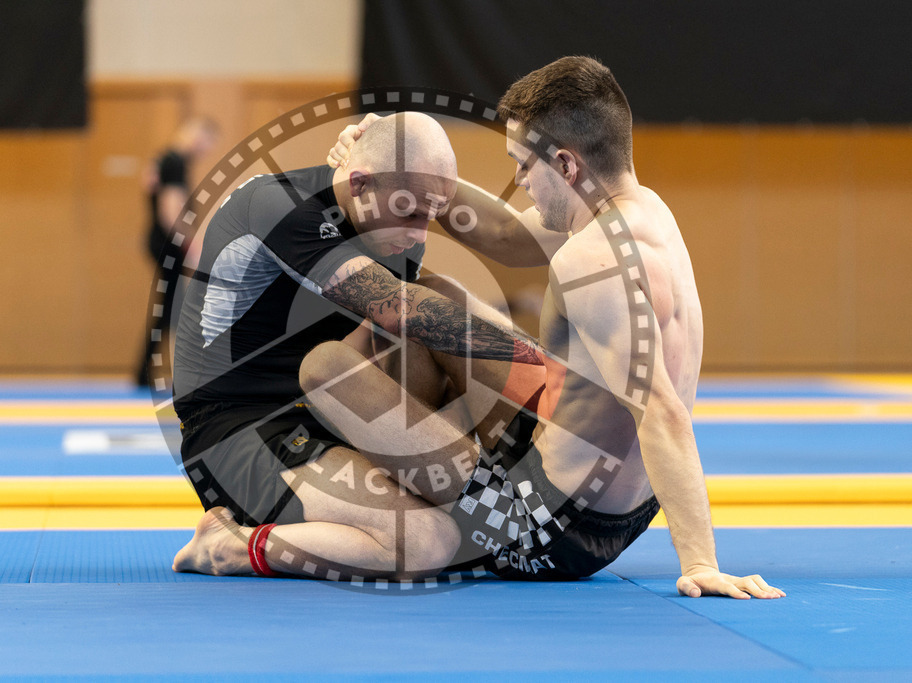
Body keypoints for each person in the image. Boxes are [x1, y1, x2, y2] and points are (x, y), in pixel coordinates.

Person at [304, 56, 784, 599]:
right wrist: (402, 166)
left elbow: (662, 412)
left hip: (539, 527)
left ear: (566, 163)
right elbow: (507, 234)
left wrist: (700, 562)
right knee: (429, 302)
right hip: (609, 502)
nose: (517, 181)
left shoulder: (591, 262)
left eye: (523, 167)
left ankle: (324, 505)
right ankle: (417, 467)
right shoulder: (644, 215)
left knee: (327, 367)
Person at [171, 112, 543, 580]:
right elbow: (397, 308)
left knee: (435, 305)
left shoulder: (393, 226)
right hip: (235, 430)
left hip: (315, 414)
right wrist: (541, 364)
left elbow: (397, 342)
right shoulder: (278, 205)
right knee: (428, 542)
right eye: (409, 213)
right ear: (360, 183)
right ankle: (227, 548)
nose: (418, 233)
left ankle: (486, 467)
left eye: (431, 215)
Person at [135, 115, 220, 388]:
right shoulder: (174, 161)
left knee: (169, 308)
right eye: (206, 144)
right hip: (167, 245)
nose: (204, 151)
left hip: (163, 243)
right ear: (198, 136)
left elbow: (148, 182)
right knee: (176, 308)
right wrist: (192, 245)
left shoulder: (166, 160)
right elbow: (170, 210)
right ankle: (160, 372)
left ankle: (143, 372)